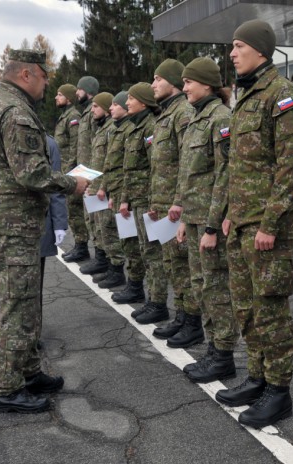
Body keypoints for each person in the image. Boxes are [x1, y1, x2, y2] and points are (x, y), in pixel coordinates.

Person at [0, 49, 89, 414]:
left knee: (23, 300)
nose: (46, 82)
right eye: (43, 76)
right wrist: (73, 183)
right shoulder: (16, 112)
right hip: (12, 223)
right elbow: (31, 174)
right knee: (17, 304)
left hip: (3, 219)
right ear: (26, 74)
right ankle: (6, 388)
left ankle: (28, 371)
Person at [214, 19, 293, 429]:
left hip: (266, 227)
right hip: (242, 222)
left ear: (261, 51)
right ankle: (257, 376)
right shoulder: (245, 96)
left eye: (238, 46)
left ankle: (279, 390)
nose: (232, 54)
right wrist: (231, 213)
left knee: (269, 309)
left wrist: (269, 223)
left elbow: (290, 167)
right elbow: (242, 165)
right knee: (246, 308)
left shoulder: (283, 95)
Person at [174, 57, 237, 377]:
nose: (184, 88)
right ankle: (213, 348)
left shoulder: (220, 118)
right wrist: (186, 218)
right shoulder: (197, 118)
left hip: (211, 222)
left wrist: (212, 226)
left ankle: (223, 355)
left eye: (188, 82)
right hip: (196, 218)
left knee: (216, 288)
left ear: (207, 84)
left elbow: (224, 177)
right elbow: (190, 177)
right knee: (201, 286)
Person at [136, 60, 196, 338]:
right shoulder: (165, 115)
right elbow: (159, 166)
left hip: (176, 205)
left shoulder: (183, 112)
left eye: (159, 79)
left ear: (173, 81)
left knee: (183, 267)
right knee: (173, 265)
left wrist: (180, 201)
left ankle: (191, 322)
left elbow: (188, 161)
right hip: (163, 204)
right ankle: (182, 316)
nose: (153, 84)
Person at [111, 82, 158, 305]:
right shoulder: (134, 127)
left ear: (143, 101)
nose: (126, 102)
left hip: (146, 200)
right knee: (139, 248)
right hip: (134, 199)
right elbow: (128, 169)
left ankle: (157, 302)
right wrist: (124, 199)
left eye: (131, 98)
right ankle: (140, 290)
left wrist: (152, 201)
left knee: (152, 253)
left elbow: (154, 168)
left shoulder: (150, 127)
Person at [92, 91, 134, 290]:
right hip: (112, 189)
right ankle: (113, 268)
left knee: (125, 237)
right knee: (107, 230)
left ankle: (119, 272)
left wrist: (110, 191)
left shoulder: (126, 130)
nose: (111, 108)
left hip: (121, 190)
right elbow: (109, 162)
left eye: (115, 105)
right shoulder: (114, 129)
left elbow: (127, 166)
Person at [62, 76, 100, 263]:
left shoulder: (92, 113)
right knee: (86, 216)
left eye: (79, 89)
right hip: (82, 170)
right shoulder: (86, 113)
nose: (76, 92)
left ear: (88, 90)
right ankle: (84, 247)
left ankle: (100, 256)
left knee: (96, 219)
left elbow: (97, 145)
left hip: (91, 173)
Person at [81, 92, 116, 281]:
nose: (92, 110)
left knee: (108, 229)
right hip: (96, 186)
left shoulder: (111, 129)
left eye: (96, 106)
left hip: (106, 188)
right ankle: (103, 261)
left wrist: (103, 186)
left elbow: (111, 162)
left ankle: (115, 269)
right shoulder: (101, 129)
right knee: (98, 227)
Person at [53, 84, 82, 262]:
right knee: (71, 210)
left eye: (60, 94)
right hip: (63, 171)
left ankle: (82, 246)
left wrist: (71, 173)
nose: (56, 97)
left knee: (76, 210)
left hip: (70, 172)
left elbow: (75, 146)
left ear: (69, 99)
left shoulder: (73, 117)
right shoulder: (65, 116)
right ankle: (79, 244)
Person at [40, 135, 68, 292]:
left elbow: (55, 185)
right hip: (3, 226)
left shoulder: (48, 144)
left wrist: (59, 224)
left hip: (37, 224)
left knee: (34, 288)